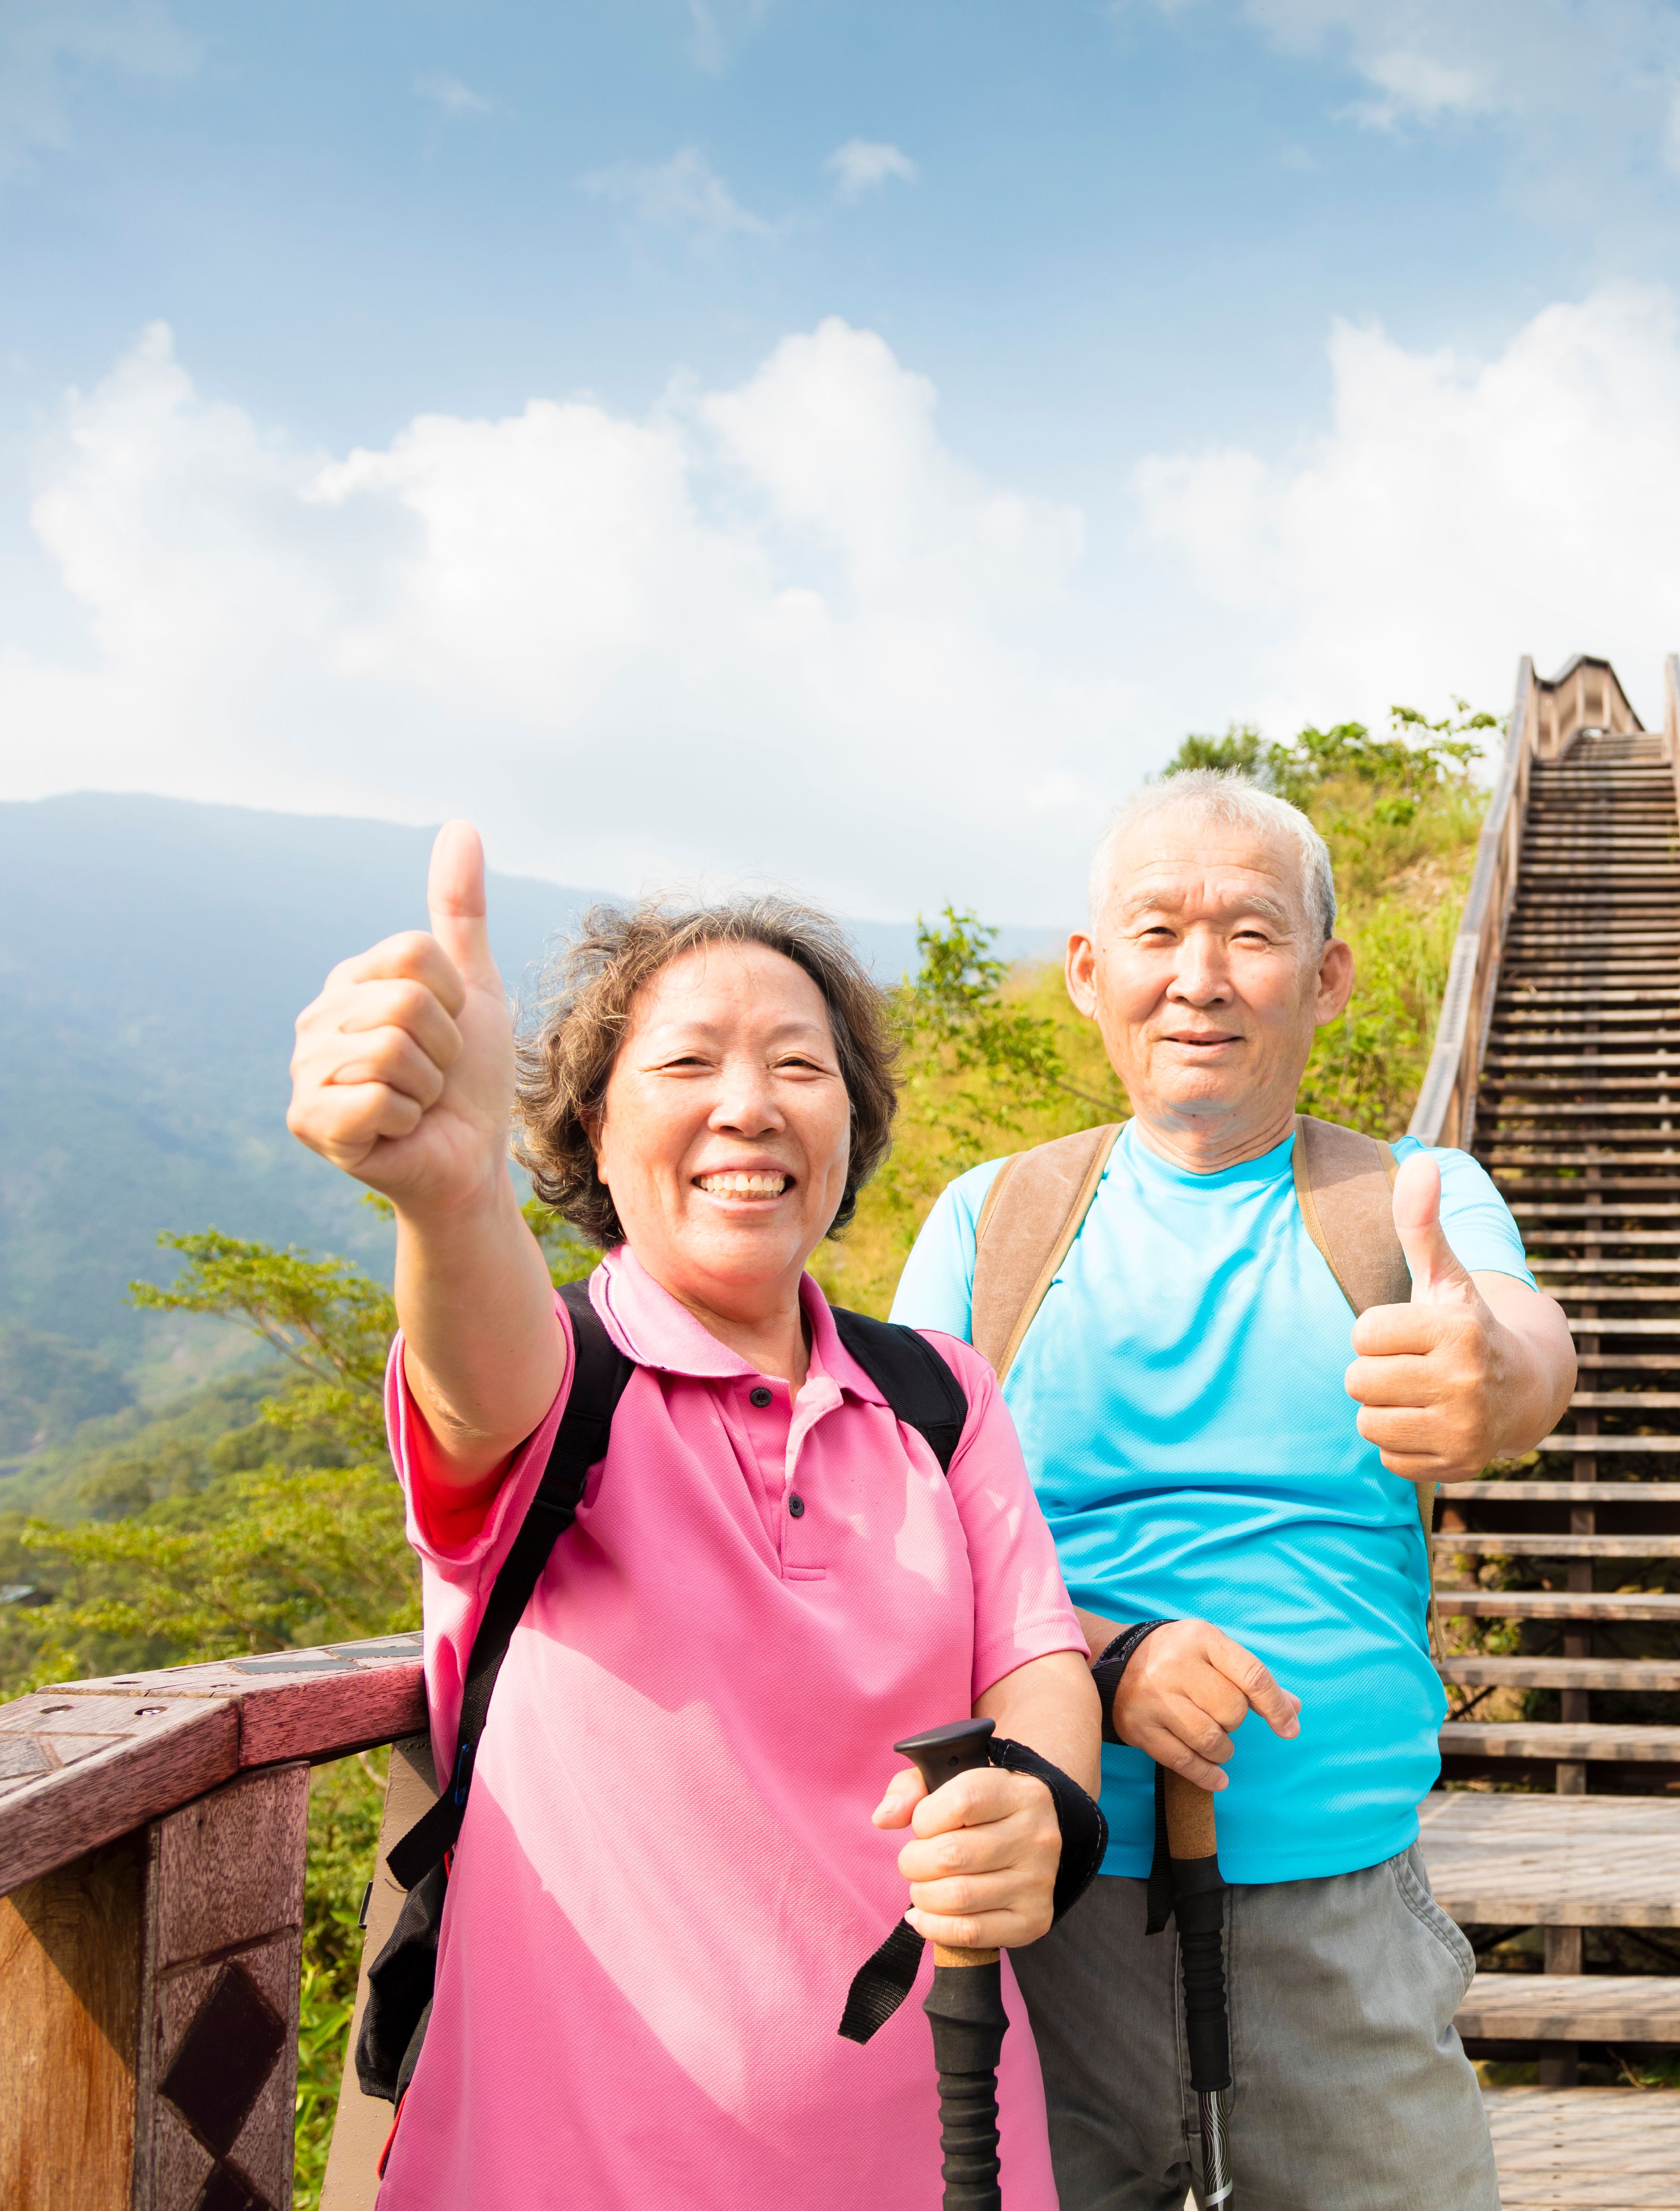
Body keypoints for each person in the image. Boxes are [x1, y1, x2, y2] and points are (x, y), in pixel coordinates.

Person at [286, 823, 1101, 2208]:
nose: (750, 1105)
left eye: (799, 1064)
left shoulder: (937, 1394)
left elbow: (1032, 1658)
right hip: (583, 2168)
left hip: (948, 2146)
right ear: (592, 1131)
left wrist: (1040, 1808)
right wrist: (450, 1189)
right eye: (683, 1064)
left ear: (852, 1119)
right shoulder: (564, 1390)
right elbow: (477, 1376)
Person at [888, 771, 1577, 2211]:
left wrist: (1488, 1382)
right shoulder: (990, 1221)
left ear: (1325, 978)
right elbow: (905, 1552)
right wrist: (1104, 1660)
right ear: (1090, 973)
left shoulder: (1410, 1205)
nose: (1198, 978)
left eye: (1251, 936)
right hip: (1038, 1911)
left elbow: (1516, 1350)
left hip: (1334, 1924)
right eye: (1156, 932)